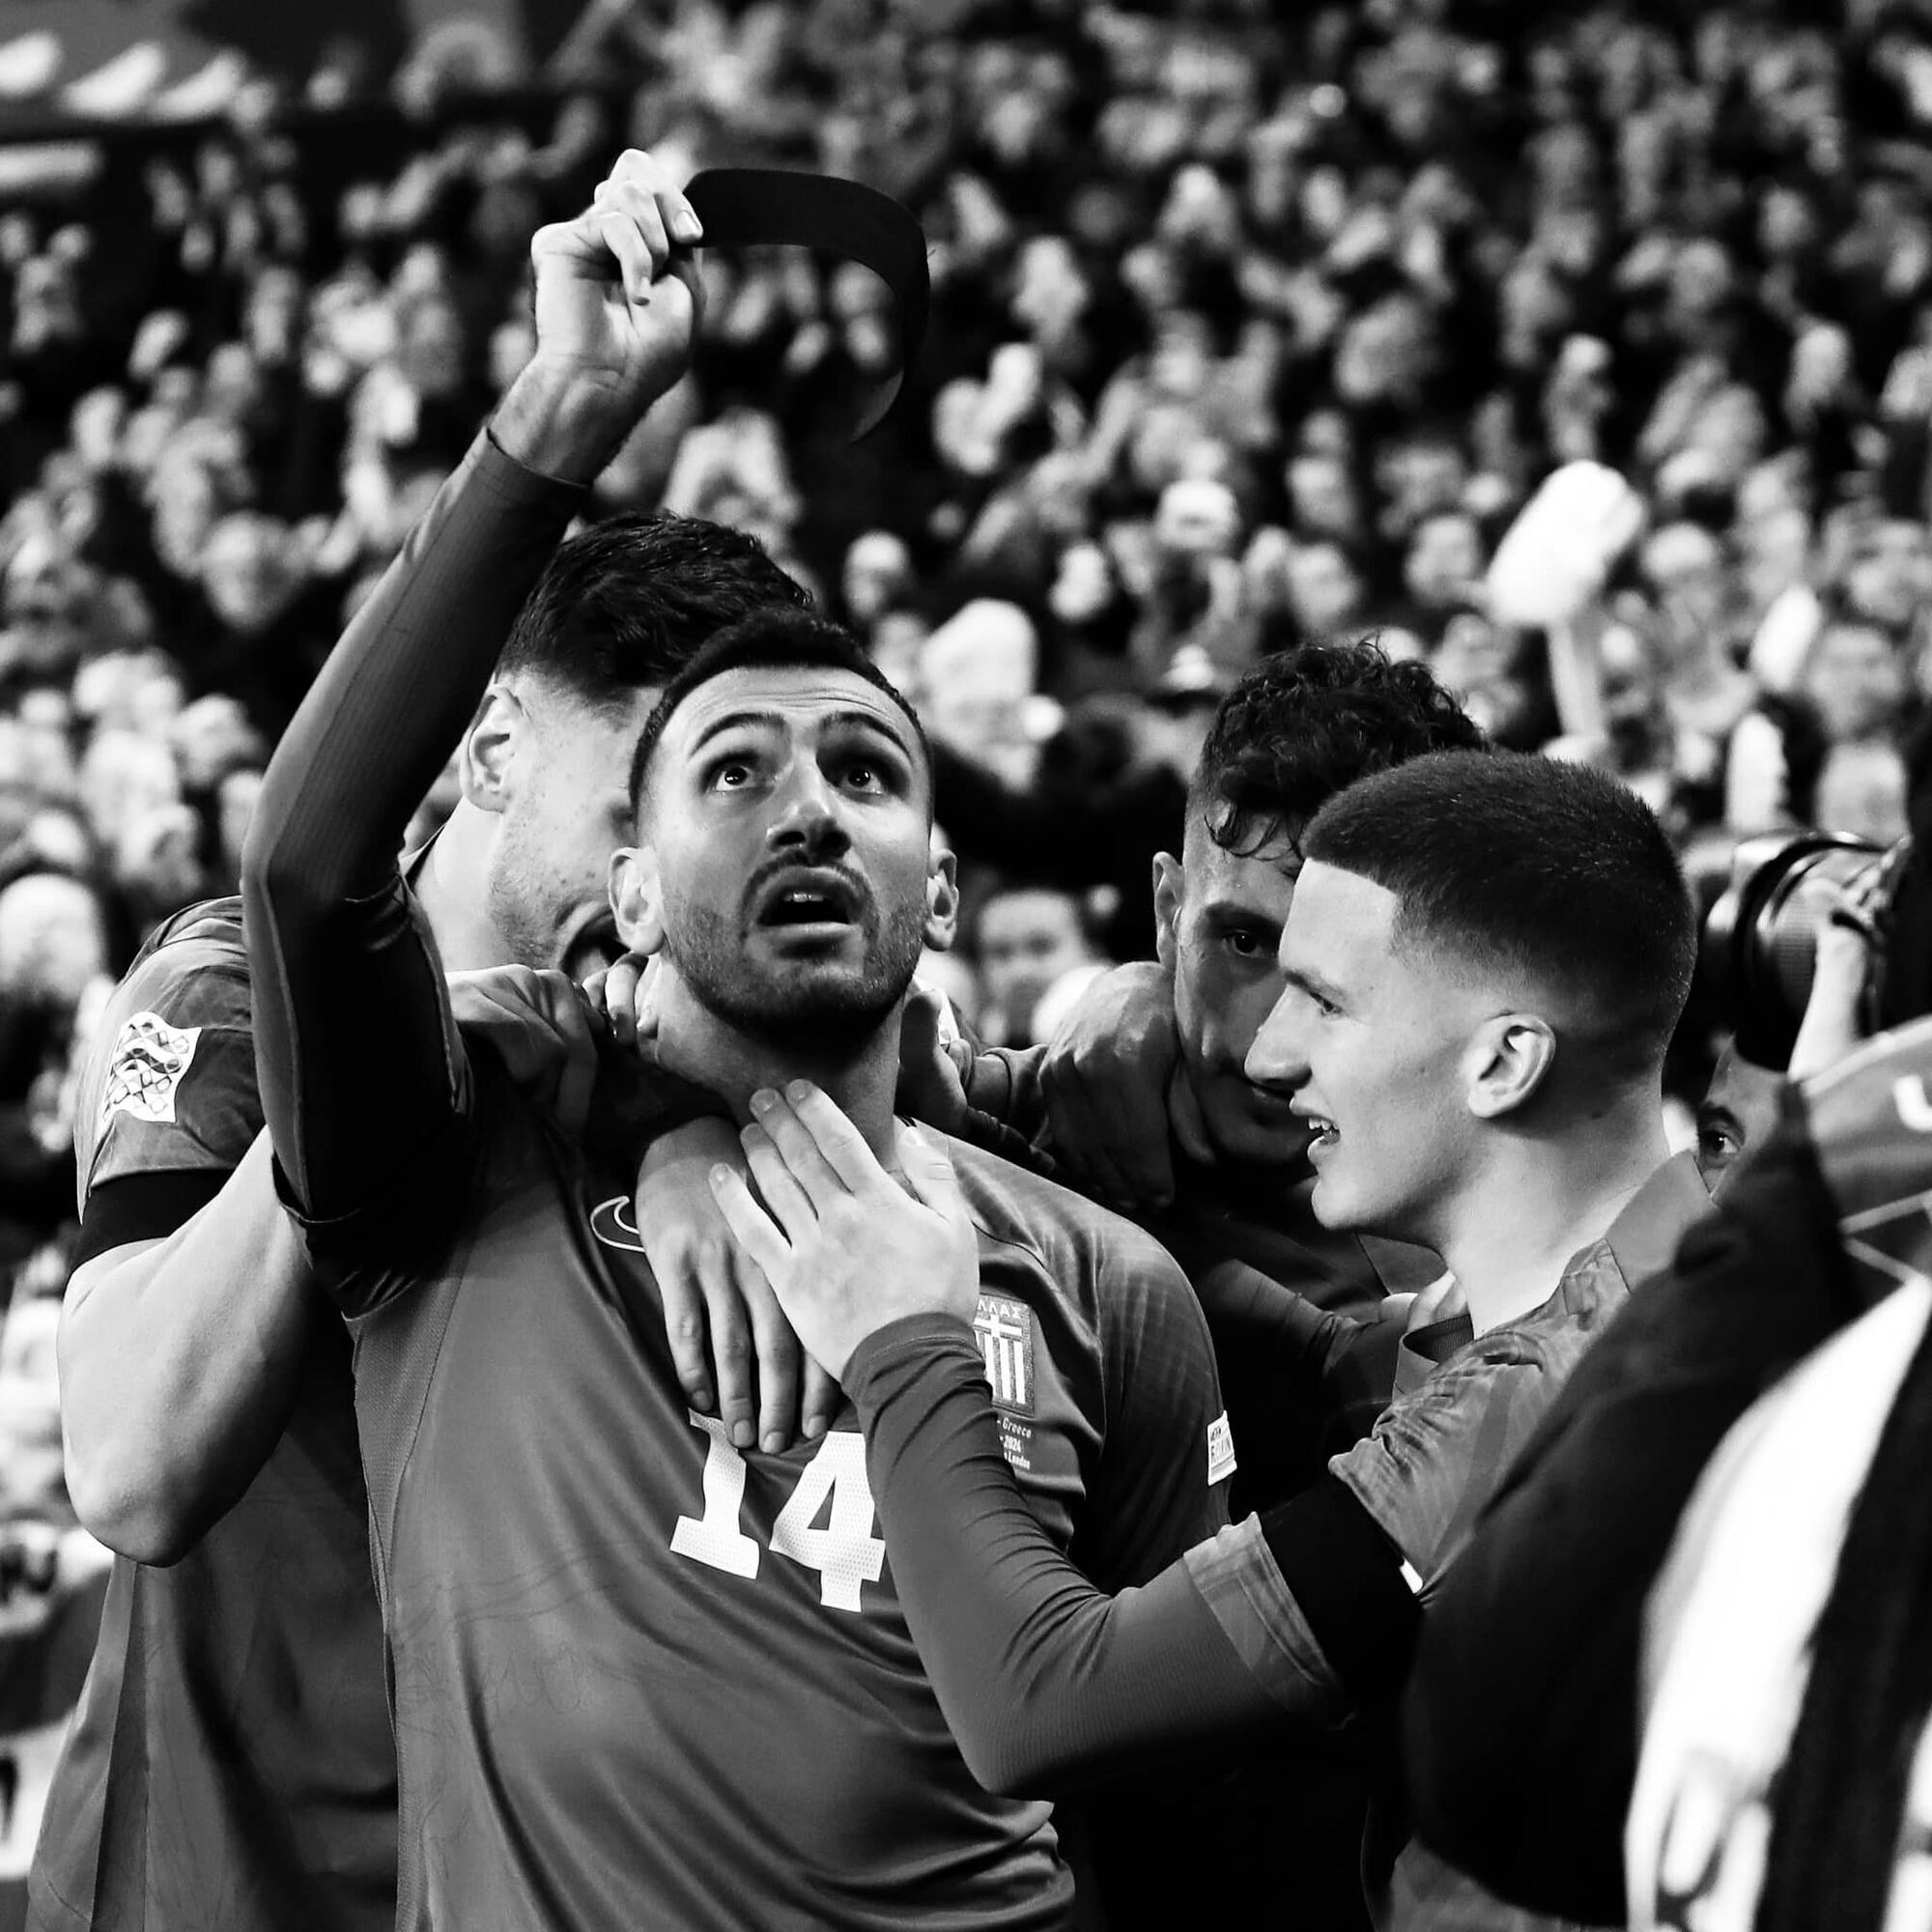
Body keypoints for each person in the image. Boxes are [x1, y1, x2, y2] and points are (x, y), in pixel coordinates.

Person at [241, 166, 1230, 1930]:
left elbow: (1164, 1808)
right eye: (733, 768)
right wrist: (561, 418)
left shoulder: (1112, 1289)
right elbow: (312, 875)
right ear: (626, 885)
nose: (808, 812)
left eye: (865, 771)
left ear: (939, 897)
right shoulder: (465, 1159)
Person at [33, 157, 814, 1932]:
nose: (649, 882)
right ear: (483, 754)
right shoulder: (225, 996)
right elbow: (136, 1467)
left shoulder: (679, 1049)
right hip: (211, 1892)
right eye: (628, 811)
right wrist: (436, 1052)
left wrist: (699, 1122)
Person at [713, 749, 1710, 1931]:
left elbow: (1036, 1699)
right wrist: (982, 1128)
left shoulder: (1549, 1403)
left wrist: (908, 1344)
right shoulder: (1689, 1271)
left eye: (1326, 1001)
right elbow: (1320, 1363)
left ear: (1502, 1060)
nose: (1270, 1052)